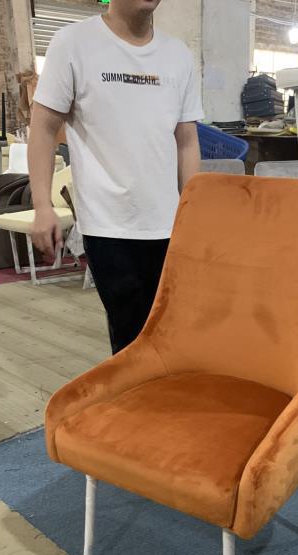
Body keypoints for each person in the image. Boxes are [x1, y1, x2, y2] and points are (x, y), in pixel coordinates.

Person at [28, 0, 203, 353]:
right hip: (109, 226)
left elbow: (186, 141)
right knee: (131, 340)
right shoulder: (73, 43)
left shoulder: (178, 56)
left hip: (170, 224)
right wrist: (42, 205)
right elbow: (43, 129)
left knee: (174, 336)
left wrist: (194, 213)